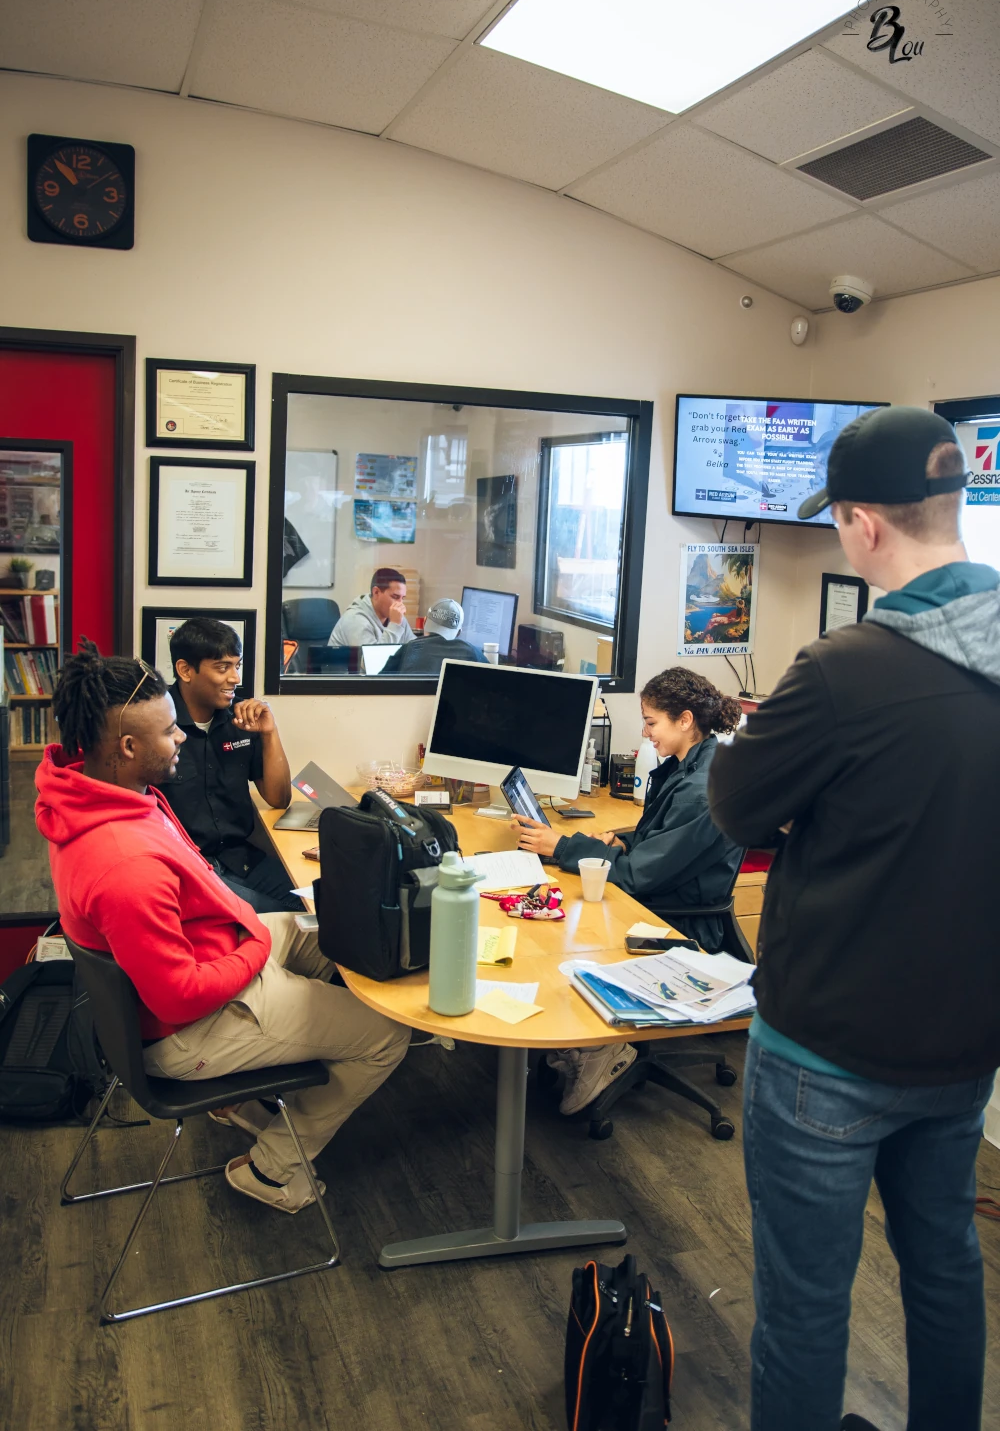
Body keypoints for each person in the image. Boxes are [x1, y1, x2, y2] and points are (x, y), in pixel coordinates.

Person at [708, 406, 1000, 1431]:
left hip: (825, 1054)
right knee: (946, 1272)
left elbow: (735, 807)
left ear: (865, 527)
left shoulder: (843, 668)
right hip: (964, 1051)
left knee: (804, 1306)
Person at [36, 642, 410, 1214]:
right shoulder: (123, 864)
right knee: (387, 1036)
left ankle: (257, 1092)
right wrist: (256, 948)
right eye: (168, 731)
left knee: (339, 929)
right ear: (129, 746)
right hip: (190, 1023)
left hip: (216, 946)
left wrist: (254, 934)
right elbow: (177, 995)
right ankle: (271, 1167)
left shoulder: (106, 793)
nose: (182, 735)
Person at [512, 668, 743, 1116]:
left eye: (652, 722)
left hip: (677, 920)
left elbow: (640, 876)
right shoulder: (691, 765)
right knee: (558, 900)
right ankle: (588, 1041)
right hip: (663, 895)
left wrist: (561, 845)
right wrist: (622, 842)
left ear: (685, 720)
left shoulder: (701, 790)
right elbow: (657, 847)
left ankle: (601, 1051)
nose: (645, 732)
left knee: (561, 925)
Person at [157, 616, 300, 914]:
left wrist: (270, 733)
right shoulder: (157, 725)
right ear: (185, 670)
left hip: (241, 859)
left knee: (316, 901)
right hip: (189, 870)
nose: (235, 677)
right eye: (222, 668)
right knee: (286, 918)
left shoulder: (241, 719)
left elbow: (279, 798)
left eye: (237, 665)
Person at [379, 597, 486, 675]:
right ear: (458, 632)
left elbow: (378, 684)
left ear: (424, 622)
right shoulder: (472, 652)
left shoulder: (409, 649)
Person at [329, 568, 415, 647]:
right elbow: (374, 661)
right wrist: (395, 625)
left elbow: (414, 649)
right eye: (395, 597)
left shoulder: (396, 615)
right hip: (347, 664)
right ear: (376, 592)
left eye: (402, 598)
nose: (400, 604)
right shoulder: (355, 619)